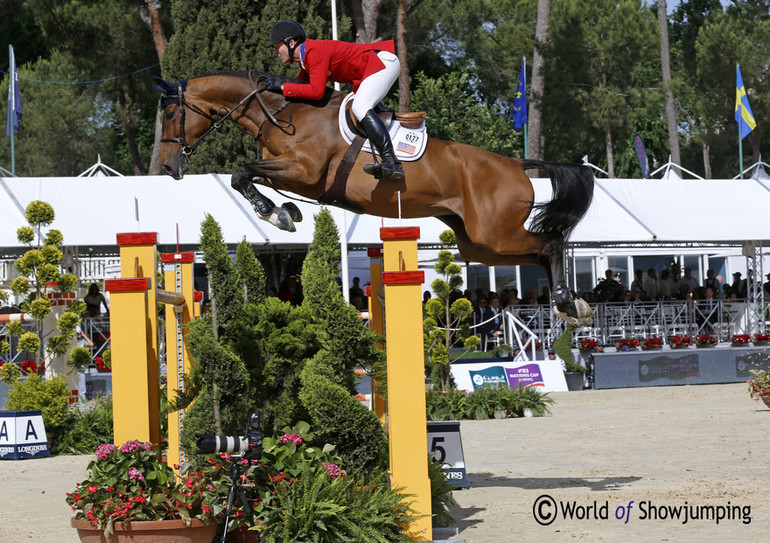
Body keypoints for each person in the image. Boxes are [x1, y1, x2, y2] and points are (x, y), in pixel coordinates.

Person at [267, 20, 404, 180]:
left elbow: (316, 92)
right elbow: (300, 89)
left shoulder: (314, 51)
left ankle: (391, 161)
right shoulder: (305, 62)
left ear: (291, 43)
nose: (276, 52)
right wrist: (278, 89)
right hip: (371, 70)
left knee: (359, 107)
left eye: (277, 47)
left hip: (383, 63)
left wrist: (283, 86)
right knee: (357, 106)